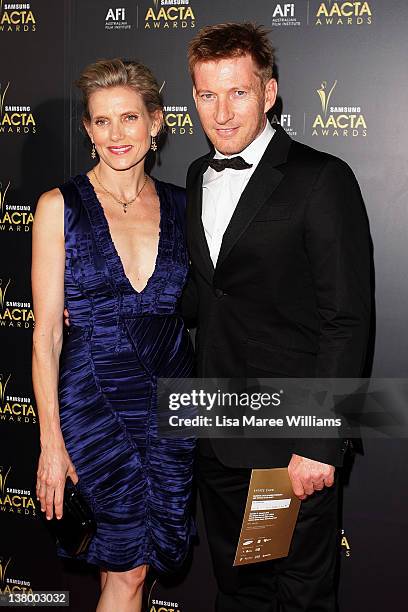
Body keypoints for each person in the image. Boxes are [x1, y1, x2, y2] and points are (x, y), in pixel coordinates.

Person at [182, 23, 371, 611]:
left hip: (289, 446)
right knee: (240, 593)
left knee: (298, 597)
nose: (223, 112)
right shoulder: (194, 176)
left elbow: (348, 320)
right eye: (208, 95)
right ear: (193, 98)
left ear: (270, 93)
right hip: (216, 439)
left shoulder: (322, 178)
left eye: (239, 92)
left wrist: (320, 442)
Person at [32, 58, 195, 612]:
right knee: (127, 567)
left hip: (171, 402)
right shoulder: (59, 208)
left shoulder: (183, 205)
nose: (115, 135)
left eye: (129, 118)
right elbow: (46, 336)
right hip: (94, 402)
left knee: (128, 568)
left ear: (156, 123)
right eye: (101, 122)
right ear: (87, 130)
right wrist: (50, 443)